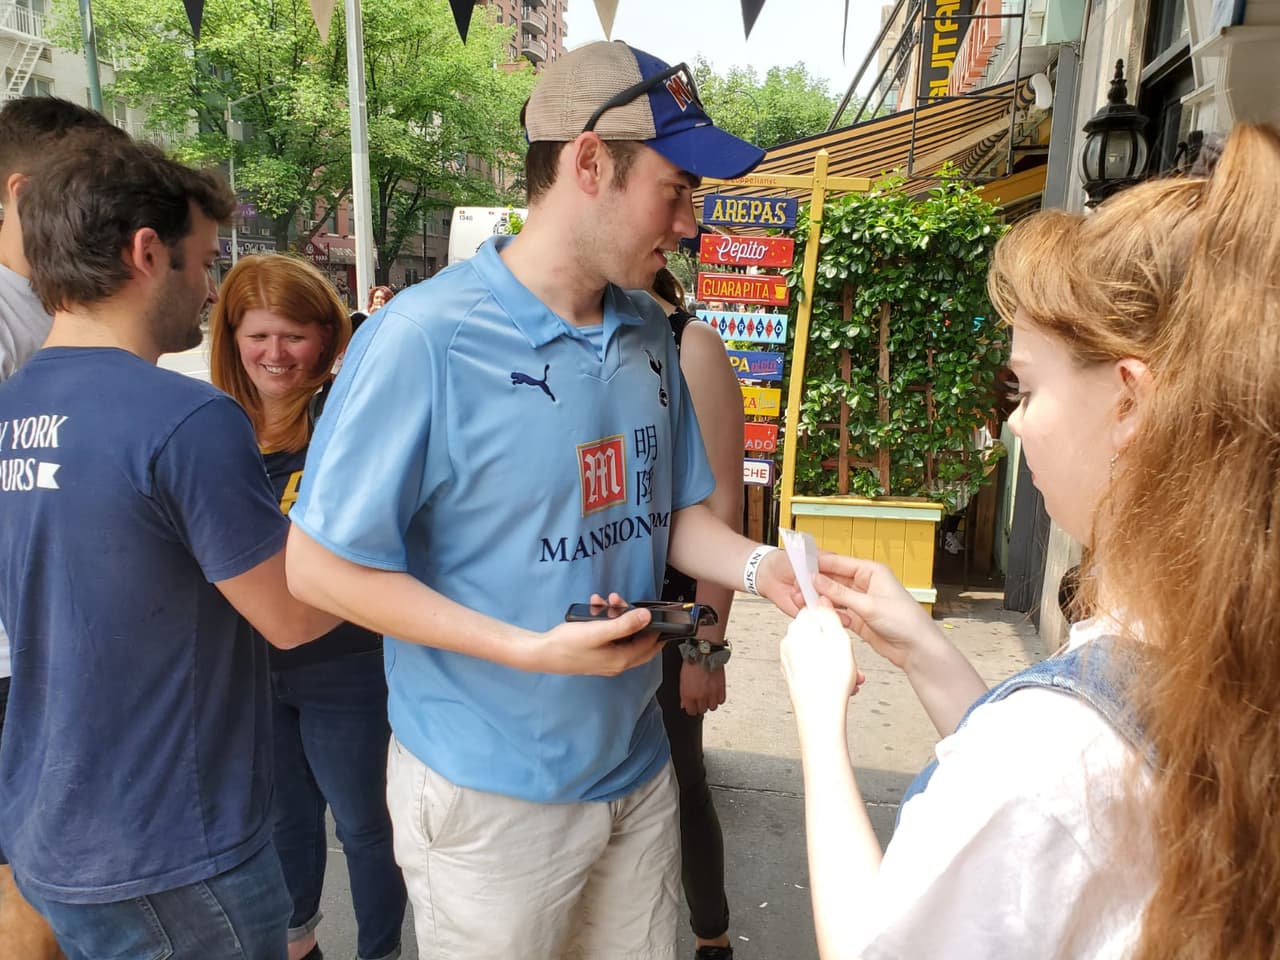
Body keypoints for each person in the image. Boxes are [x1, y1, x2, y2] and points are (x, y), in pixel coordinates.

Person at [285, 40, 803, 959]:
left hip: (636, 771)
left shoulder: (651, 330)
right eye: (676, 190)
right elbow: (318, 566)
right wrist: (532, 650)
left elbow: (677, 511)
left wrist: (775, 570)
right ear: (590, 161)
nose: (689, 224)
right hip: (487, 798)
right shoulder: (423, 339)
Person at [778, 122, 1280, 959]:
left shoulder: (1046, 755)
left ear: (1129, 403)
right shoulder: (1220, 641)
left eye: (1026, 388)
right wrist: (926, 650)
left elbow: (875, 941)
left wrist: (819, 719)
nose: (1014, 428)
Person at [0, 132, 337, 959]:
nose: (210, 287)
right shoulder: (184, 419)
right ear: (147, 252)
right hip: (173, 850)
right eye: (201, 261)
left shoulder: (12, 406)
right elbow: (292, 615)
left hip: (50, 824)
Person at [210, 254, 407, 960]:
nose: (276, 354)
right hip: (252, 668)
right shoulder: (213, 427)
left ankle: (379, 950)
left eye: (294, 335)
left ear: (326, 336)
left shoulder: (343, 416)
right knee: (284, 822)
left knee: (364, 826)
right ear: (230, 337)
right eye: (258, 335)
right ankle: (299, 945)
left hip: (346, 664)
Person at [0, 95, 128, 960]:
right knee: (31, 876)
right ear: (20, 195)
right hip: (22, 656)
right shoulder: (14, 310)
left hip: (30, 646)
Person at [648, 267, 742, 960]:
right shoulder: (573, 342)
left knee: (683, 786)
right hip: (582, 621)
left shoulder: (691, 345)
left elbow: (721, 511)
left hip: (672, 620)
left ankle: (712, 936)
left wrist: (705, 649)